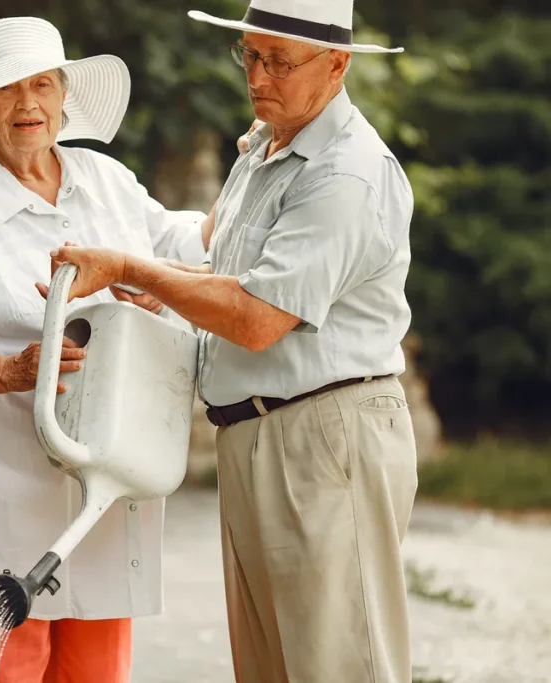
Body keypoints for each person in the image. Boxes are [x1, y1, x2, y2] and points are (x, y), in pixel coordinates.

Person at [40, 1, 419, 681]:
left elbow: (256, 315)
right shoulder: (267, 146)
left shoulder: (347, 173)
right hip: (256, 433)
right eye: (249, 54)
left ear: (337, 66)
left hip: (324, 435)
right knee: (271, 669)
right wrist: (159, 287)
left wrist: (131, 267)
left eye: (278, 60)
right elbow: (227, 275)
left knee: (338, 666)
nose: (257, 76)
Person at [0, 16, 211, 683]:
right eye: (7, 89)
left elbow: (189, 249)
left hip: (95, 507)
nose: (27, 103)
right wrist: (7, 372)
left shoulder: (106, 181)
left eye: (41, 85)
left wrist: (154, 288)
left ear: (64, 95)